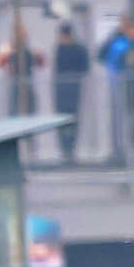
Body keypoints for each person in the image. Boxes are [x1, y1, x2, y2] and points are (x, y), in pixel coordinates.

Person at [98, 15, 134, 150]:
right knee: (122, 113)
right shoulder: (119, 45)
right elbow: (111, 62)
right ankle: (121, 144)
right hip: (123, 86)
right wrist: (116, 78)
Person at [51, 22, 90, 162]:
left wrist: (73, 77)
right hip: (61, 90)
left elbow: (85, 68)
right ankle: (64, 149)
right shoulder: (59, 48)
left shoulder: (79, 49)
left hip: (73, 89)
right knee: (60, 119)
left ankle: (71, 148)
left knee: (73, 119)